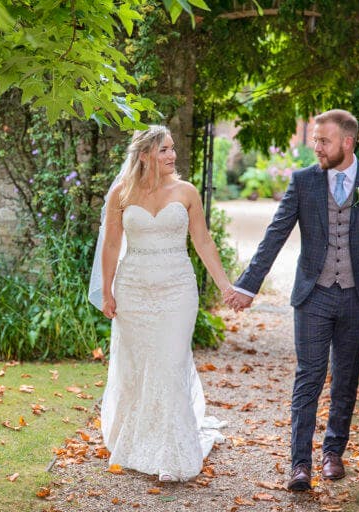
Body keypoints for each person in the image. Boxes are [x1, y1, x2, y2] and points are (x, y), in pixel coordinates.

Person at [225, 109, 359, 491]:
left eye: (324, 141)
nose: (316, 147)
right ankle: (300, 464)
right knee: (309, 377)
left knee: (346, 378)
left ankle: (333, 453)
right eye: (315, 140)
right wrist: (247, 285)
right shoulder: (304, 181)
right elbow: (275, 234)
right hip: (313, 296)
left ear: (347, 143)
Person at [91, 125, 231, 483]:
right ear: (144, 155)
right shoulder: (121, 194)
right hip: (134, 289)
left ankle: (172, 452)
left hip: (177, 290)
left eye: (172, 148)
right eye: (164, 150)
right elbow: (110, 246)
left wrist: (226, 286)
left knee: (170, 365)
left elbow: (203, 242)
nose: (172, 155)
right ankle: (138, 442)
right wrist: (107, 291)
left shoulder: (186, 192)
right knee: (138, 369)